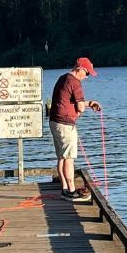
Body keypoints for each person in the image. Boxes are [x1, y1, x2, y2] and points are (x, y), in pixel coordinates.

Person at [49, 57, 101, 202]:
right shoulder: (75, 82)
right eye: (87, 73)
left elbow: (69, 101)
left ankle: (65, 189)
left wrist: (89, 103)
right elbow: (80, 108)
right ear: (80, 69)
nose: (87, 76)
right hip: (65, 125)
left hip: (55, 122)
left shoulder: (63, 78)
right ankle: (71, 191)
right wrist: (85, 106)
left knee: (61, 157)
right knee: (69, 158)